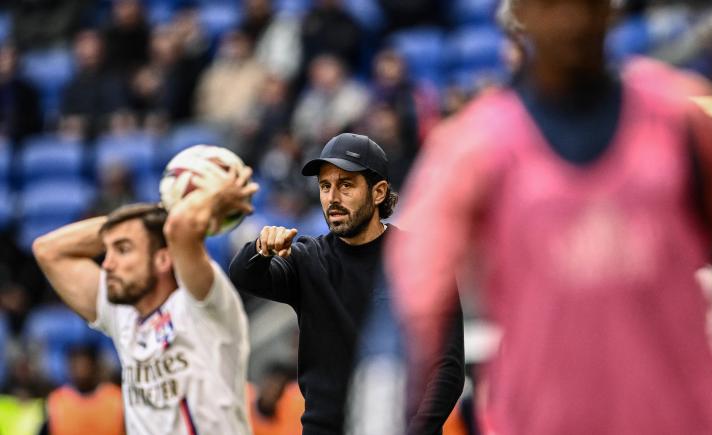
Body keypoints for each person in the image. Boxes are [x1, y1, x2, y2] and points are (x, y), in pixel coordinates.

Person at [387, 1, 712, 435]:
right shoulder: (475, 149)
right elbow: (413, 295)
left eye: (585, 4)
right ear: (522, 16)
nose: (572, 19)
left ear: (610, 11)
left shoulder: (679, 120)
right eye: (551, 5)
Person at [229, 133, 465, 435]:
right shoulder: (307, 257)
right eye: (325, 186)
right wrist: (261, 248)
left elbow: (447, 367)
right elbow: (244, 275)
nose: (332, 198)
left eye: (346, 185)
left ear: (378, 192)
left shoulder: (419, 258)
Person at [32, 166, 258, 434]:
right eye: (108, 249)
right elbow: (48, 251)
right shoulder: (123, 315)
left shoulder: (203, 304)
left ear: (163, 258)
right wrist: (140, 221)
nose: (107, 264)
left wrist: (173, 209)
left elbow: (179, 227)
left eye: (123, 249)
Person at [40, 345, 124, 435]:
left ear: (95, 366)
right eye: (76, 365)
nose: (81, 371)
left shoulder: (115, 398)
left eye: (85, 365)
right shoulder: (56, 401)